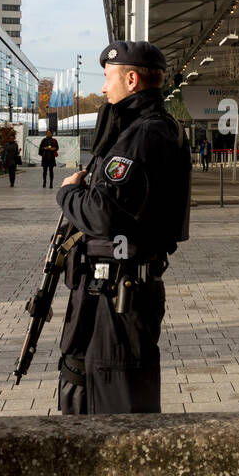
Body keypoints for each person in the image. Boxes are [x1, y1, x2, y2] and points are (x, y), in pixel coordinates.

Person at [55, 40, 191, 415]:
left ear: (131, 80)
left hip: (121, 293)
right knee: (85, 383)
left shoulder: (143, 135)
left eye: (107, 78)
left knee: (117, 400)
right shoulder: (139, 130)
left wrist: (67, 195)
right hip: (110, 288)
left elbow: (103, 215)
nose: (102, 88)